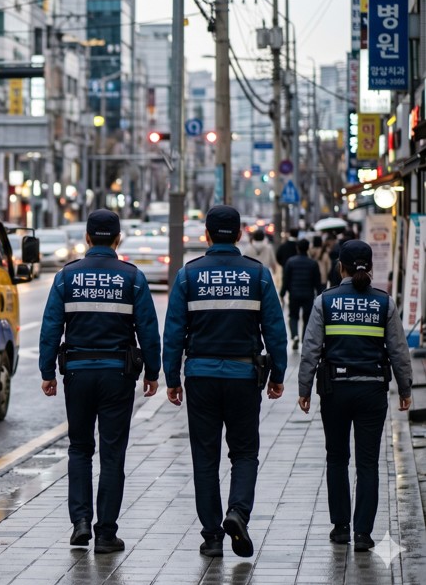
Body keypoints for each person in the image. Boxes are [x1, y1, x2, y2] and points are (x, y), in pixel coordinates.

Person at [163, 205, 288, 559]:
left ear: (206, 235)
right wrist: (277, 375)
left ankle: (212, 537)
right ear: (239, 235)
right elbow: (275, 331)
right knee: (244, 452)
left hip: (200, 377)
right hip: (243, 376)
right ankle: (238, 512)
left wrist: (172, 378)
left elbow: (174, 332)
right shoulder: (257, 275)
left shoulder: (189, 276)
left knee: (205, 457)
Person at [39, 209, 162, 554]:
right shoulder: (132, 278)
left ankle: (80, 522)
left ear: (88, 239)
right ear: (118, 239)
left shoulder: (67, 277)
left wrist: (47, 372)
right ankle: (106, 534)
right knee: (112, 454)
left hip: (76, 373)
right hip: (117, 376)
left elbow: (51, 328)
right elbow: (148, 330)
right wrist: (153, 372)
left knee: (79, 448)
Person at [297, 240, 413, 552]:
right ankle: (363, 533)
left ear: (341, 267)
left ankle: (340, 528)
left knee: (336, 458)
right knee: (368, 463)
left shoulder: (326, 301)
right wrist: (405, 388)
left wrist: (304, 388)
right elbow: (399, 351)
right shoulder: (384, 303)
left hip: (335, 390)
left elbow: (311, 349)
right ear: (370, 267)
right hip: (372, 390)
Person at [280, 239, 323, 351]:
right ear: (308, 248)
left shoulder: (290, 262)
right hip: (308, 295)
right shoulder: (313, 263)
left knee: (293, 316)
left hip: (294, 294)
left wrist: (282, 293)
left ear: (297, 248)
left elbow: (286, 279)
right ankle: (304, 339)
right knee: (307, 318)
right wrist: (319, 295)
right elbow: (317, 282)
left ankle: (295, 335)